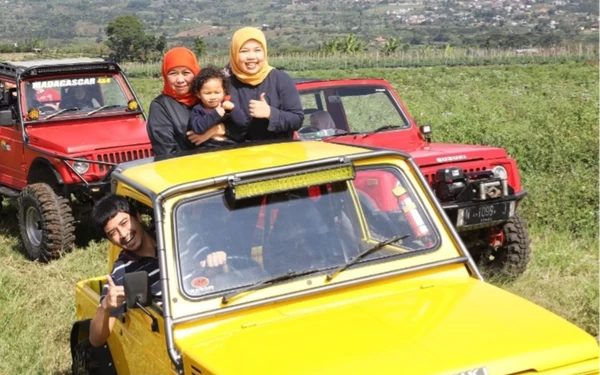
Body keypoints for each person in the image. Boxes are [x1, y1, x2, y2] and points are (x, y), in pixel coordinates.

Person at [89, 194, 228, 347]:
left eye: (124, 223)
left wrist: (218, 263)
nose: (123, 234)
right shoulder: (122, 272)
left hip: (215, 317)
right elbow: (96, 340)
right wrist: (106, 307)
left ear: (138, 217)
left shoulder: (178, 234)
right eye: (113, 233)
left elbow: (216, 274)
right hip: (177, 337)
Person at [227, 27, 304, 141]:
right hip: (241, 155)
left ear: (265, 52)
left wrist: (270, 113)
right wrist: (220, 129)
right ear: (234, 53)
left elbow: (297, 120)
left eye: (257, 50)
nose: (251, 57)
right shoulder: (226, 84)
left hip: (281, 155)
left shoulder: (281, 79)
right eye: (244, 51)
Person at [146, 47, 227, 156]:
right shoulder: (161, 106)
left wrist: (218, 130)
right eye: (173, 73)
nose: (180, 80)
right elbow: (165, 152)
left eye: (186, 72)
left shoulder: (208, 97)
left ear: (195, 73)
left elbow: (240, 130)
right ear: (165, 75)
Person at [187, 66, 245, 148]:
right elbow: (197, 128)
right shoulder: (198, 109)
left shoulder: (227, 106)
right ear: (198, 94)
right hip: (207, 148)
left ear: (224, 92)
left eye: (217, 92)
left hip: (230, 145)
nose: (213, 97)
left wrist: (233, 109)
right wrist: (215, 114)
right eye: (207, 93)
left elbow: (242, 123)